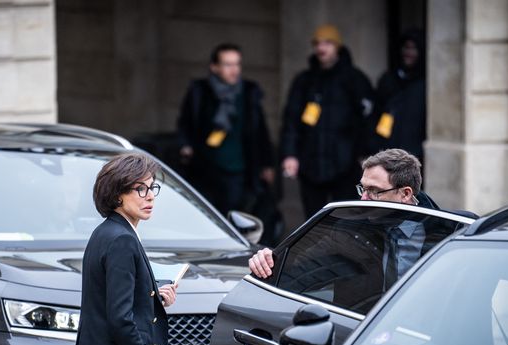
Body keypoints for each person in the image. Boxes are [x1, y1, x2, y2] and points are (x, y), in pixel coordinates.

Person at [72, 153, 177, 345]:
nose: (150, 195)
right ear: (117, 194)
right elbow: (120, 318)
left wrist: (155, 295)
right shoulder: (122, 239)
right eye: (140, 189)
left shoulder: (106, 232)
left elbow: (110, 297)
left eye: (152, 187)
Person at [250, 149, 428, 287]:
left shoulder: (447, 235)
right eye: (362, 189)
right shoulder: (347, 230)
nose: (363, 199)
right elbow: (297, 271)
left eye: (374, 191)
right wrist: (269, 262)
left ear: (405, 194)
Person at [281, 24, 374, 219]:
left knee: (346, 219)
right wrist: (290, 154)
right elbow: (291, 120)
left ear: (337, 47)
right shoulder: (305, 81)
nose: (321, 48)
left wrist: (365, 154)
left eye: (327, 43)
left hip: (346, 165)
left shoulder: (354, 79)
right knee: (313, 221)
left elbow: (368, 121)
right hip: (310, 164)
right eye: (317, 43)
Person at [177, 43, 276, 216]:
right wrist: (186, 145)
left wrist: (266, 163)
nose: (234, 70)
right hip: (205, 167)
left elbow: (260, 130)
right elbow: (186, 122)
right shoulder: (200, 91)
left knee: (234, 215)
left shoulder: (248, 92)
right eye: (228, 64)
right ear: (214, 67)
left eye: (237, 64)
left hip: (239, 169)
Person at [369, 29, 427, 165]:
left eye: (414, 48)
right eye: (406, 47)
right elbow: (375, 116)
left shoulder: (425, 85)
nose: (409, 53)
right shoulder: (388, 79)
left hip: (415, 158)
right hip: (387, 155)